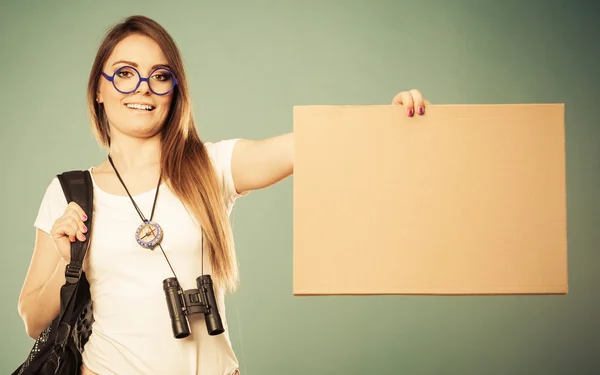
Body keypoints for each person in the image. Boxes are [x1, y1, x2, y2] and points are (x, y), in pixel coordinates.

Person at [16, 15, 428, 375]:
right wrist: (65, 256)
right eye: (125, 73)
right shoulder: (70, 192)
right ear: (98, 91)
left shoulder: (210, 168)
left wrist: (384, 119)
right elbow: (34, 321)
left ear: (174, 92)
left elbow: (304, 146)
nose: (142, 88)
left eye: (160, 76)